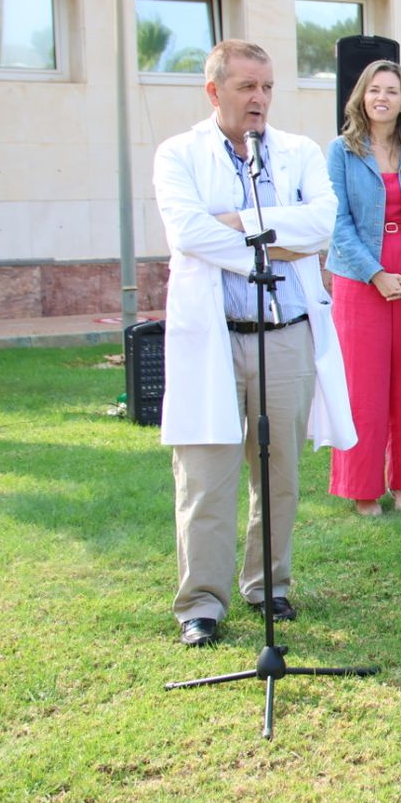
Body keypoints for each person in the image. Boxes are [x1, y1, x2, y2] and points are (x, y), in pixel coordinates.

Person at [152, 40, 355, 648]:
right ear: (214, 92)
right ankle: (202, 603)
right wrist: (277, 237)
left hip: (287, 336)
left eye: (266, 86)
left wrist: (235, 224)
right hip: (213, 340)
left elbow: (324, 223)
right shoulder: (178, 154)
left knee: (281, 473)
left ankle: (269, 584)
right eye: (246, 87)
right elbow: (187, 234)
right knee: (205, 475)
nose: (259, 98)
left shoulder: (297, 152)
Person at [325, 61, 401, 517]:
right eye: (374, 90)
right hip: (361, 280)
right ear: (361, 97)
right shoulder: (341, 152)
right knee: (364, 385)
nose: (383, 97)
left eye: (392, 91)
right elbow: (336, 222)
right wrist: (375, 273)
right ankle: (362, 488)